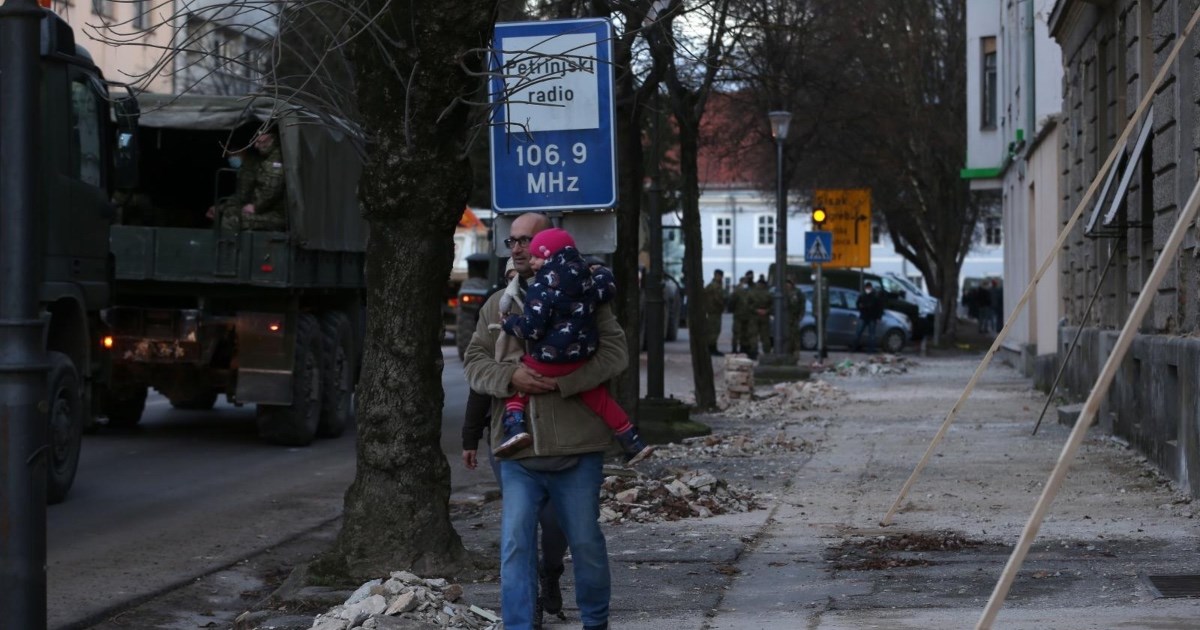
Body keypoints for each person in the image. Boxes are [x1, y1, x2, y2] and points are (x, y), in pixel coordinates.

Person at [464, 212, 625, 630]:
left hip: (578, 448)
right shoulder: (498, 304)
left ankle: (596, 622)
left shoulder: (590, 297)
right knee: (515, 545)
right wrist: (510, 376)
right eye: (511, 242)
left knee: (586, 544)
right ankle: (518, 624)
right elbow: (474, 363)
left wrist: (561, 381)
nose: (516, 249)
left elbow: (614, 356)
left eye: (525, 241)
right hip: (517, 451)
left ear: (552, 246)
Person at [495, 227, 652, 465]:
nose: (533, 262)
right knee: (600, 399)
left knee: (521, 377)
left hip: (549, 360)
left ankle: (515, 425)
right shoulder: (587, 281)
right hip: (580, 359)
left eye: (537, 256)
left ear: (550, 257)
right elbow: (607, 288)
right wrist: (602, 273)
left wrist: (508, 322)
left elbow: (532, 328)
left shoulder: (541, 287)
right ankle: (631, 439)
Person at [206, 148, 259, 229]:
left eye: (234, 155)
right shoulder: (245, 167)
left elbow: (242, 196)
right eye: (229, 156)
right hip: (253, 203)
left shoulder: (249, 168)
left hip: (256, 206)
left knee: (228, 215)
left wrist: (220, 207)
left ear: (243, 151)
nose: (231, 159)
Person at [852, 282, 884, 353]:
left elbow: (879, 307)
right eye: (867, 288)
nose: (868, 289)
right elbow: (858, 304)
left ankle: (869, 350)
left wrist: (878, 317)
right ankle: (855, 348)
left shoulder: (874, 297)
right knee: (861, 333)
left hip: (870, 317)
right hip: (865, 316)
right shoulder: (863, 296)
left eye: (869, 288)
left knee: (870, 334)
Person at [704, 269, 726, 356]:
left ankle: (711, 348)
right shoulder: (716, 286)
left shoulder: (710, 285)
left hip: (711, 310)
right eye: (720, 276)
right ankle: (712, 349)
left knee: (712, 330)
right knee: (714, 330)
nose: (720, 278)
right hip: (714, 311)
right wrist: (722, 305)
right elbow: (718, 299)